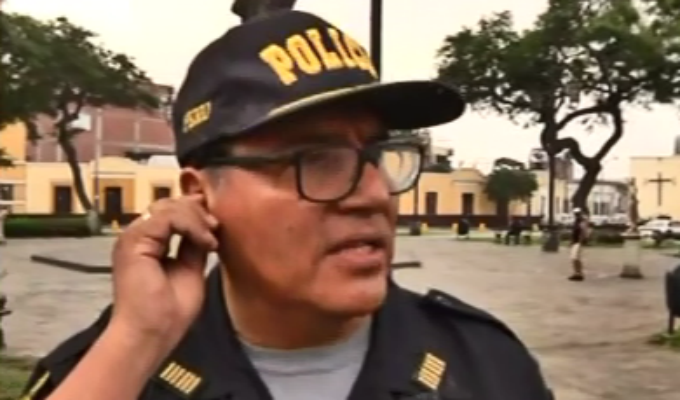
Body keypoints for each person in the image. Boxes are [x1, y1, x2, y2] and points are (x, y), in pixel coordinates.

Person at [22, 11, 554, 400]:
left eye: (376, 155)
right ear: (200, 194)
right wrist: (140, 342)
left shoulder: (486, 367)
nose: (373, 193)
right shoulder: (110, 372)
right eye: (316, 160)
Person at [568, 208, 591, 281]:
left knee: (575, 258)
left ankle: (579, 273)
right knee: (574, 258)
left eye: (577, 213)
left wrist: (581, 241)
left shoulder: (582, 221)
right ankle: (577, 273)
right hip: (575, 241)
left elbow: (583, 232)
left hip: (578, 242)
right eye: (575, 214)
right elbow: (574, 232)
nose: (576, 215)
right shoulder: (576, 221)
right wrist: (571, 241)